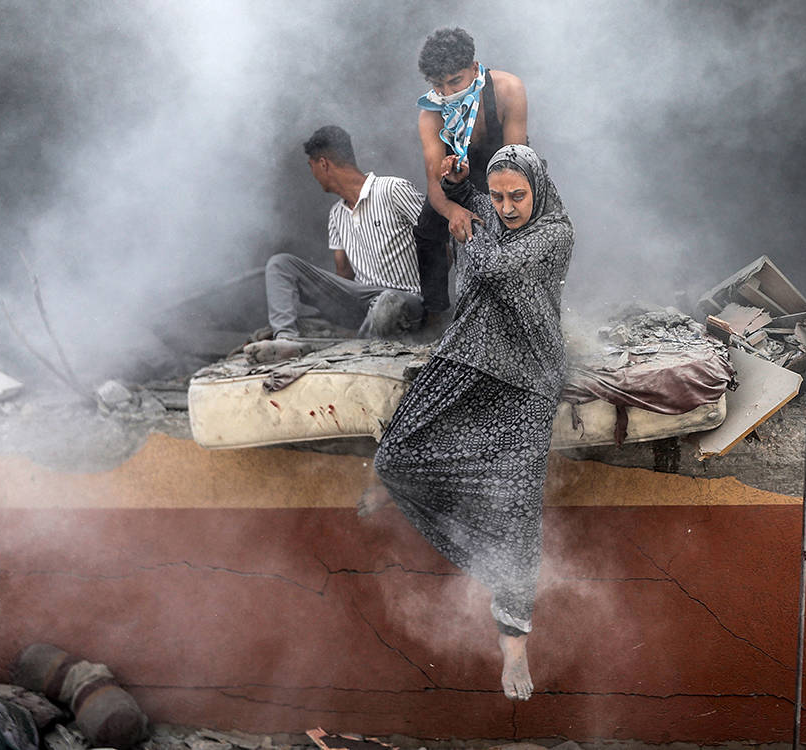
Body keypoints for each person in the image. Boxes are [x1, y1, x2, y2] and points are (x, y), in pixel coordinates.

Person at [369, 145, 572, 701]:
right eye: (500, 196)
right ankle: (485, 558)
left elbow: (492, 264)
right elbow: (466, 198)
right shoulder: (492, 206)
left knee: (517, 509)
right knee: (395, 458)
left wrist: (467, 219)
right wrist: (457, 187)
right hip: (469, 355)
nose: (506, 207)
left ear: (539, 188)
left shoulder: (556, 232)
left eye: (517, 196)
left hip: (527, 375)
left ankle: (514, 647)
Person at [244, 126, 425, 363]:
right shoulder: (337, 214)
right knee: (281, 264)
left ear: (323, 164)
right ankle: (287, 339)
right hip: (362, 299)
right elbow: (343, 276)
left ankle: (357, 350)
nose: (313, 175)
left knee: (388, 302)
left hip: (406, 299)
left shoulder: (393, 189)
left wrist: (436, 307)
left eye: (311, 168)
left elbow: (440, 241)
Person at [412, 27, 528, 322]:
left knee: (514, 228)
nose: (448, 93)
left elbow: (516, 160)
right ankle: (436, 315)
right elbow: (433, 184)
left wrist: (500, 209)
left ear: (474, 68)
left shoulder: (508, 89)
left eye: (455, 82)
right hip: (455, 178)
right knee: (427, 232)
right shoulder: (430, 114)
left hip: (509, 168)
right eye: (439, 85)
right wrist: (453, 211)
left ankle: (521, 311)